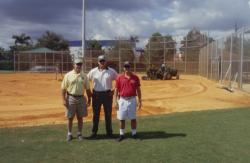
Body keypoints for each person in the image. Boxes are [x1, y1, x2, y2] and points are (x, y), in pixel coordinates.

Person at [61, 58, 92, 141]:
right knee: (70, 117)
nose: (79, 66)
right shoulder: (68, 75)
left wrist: (89, 100)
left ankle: (79, 134)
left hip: (81, 98)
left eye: (80, 64)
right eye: (77, 64)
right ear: (73, 65)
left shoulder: (84, 76)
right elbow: (63, 89)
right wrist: (63, 99)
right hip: (70, 98)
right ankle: (69, 134)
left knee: (80, 117)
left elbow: (88, 89)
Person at [87, 55, 118, 138]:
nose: (102, 63)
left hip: (107, 95)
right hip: (96, 95)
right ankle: (94, 132)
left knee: (108, 114)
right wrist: (89, 92)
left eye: (103, 61)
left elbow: (118, 81)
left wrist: (113, 90)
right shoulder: (93, 71)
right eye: (101, 61)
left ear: (106, 62)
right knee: (95, 115)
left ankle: (109, 132)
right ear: (98, 62)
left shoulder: (112, 71)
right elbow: (86, 81)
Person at [115, 61, 142, 142]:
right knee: (121, 118)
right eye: (125, 67)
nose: (127, 68)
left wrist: (140, 100)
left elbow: (138, 90)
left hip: (132, 100)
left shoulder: (135, 78)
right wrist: (115, 101)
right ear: (123, 68)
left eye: (128, 66)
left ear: (130, 67)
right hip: (122, 100)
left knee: (133, 118)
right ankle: (121, 134)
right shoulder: (119, 78)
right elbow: (116, 90)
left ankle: (134, 134)